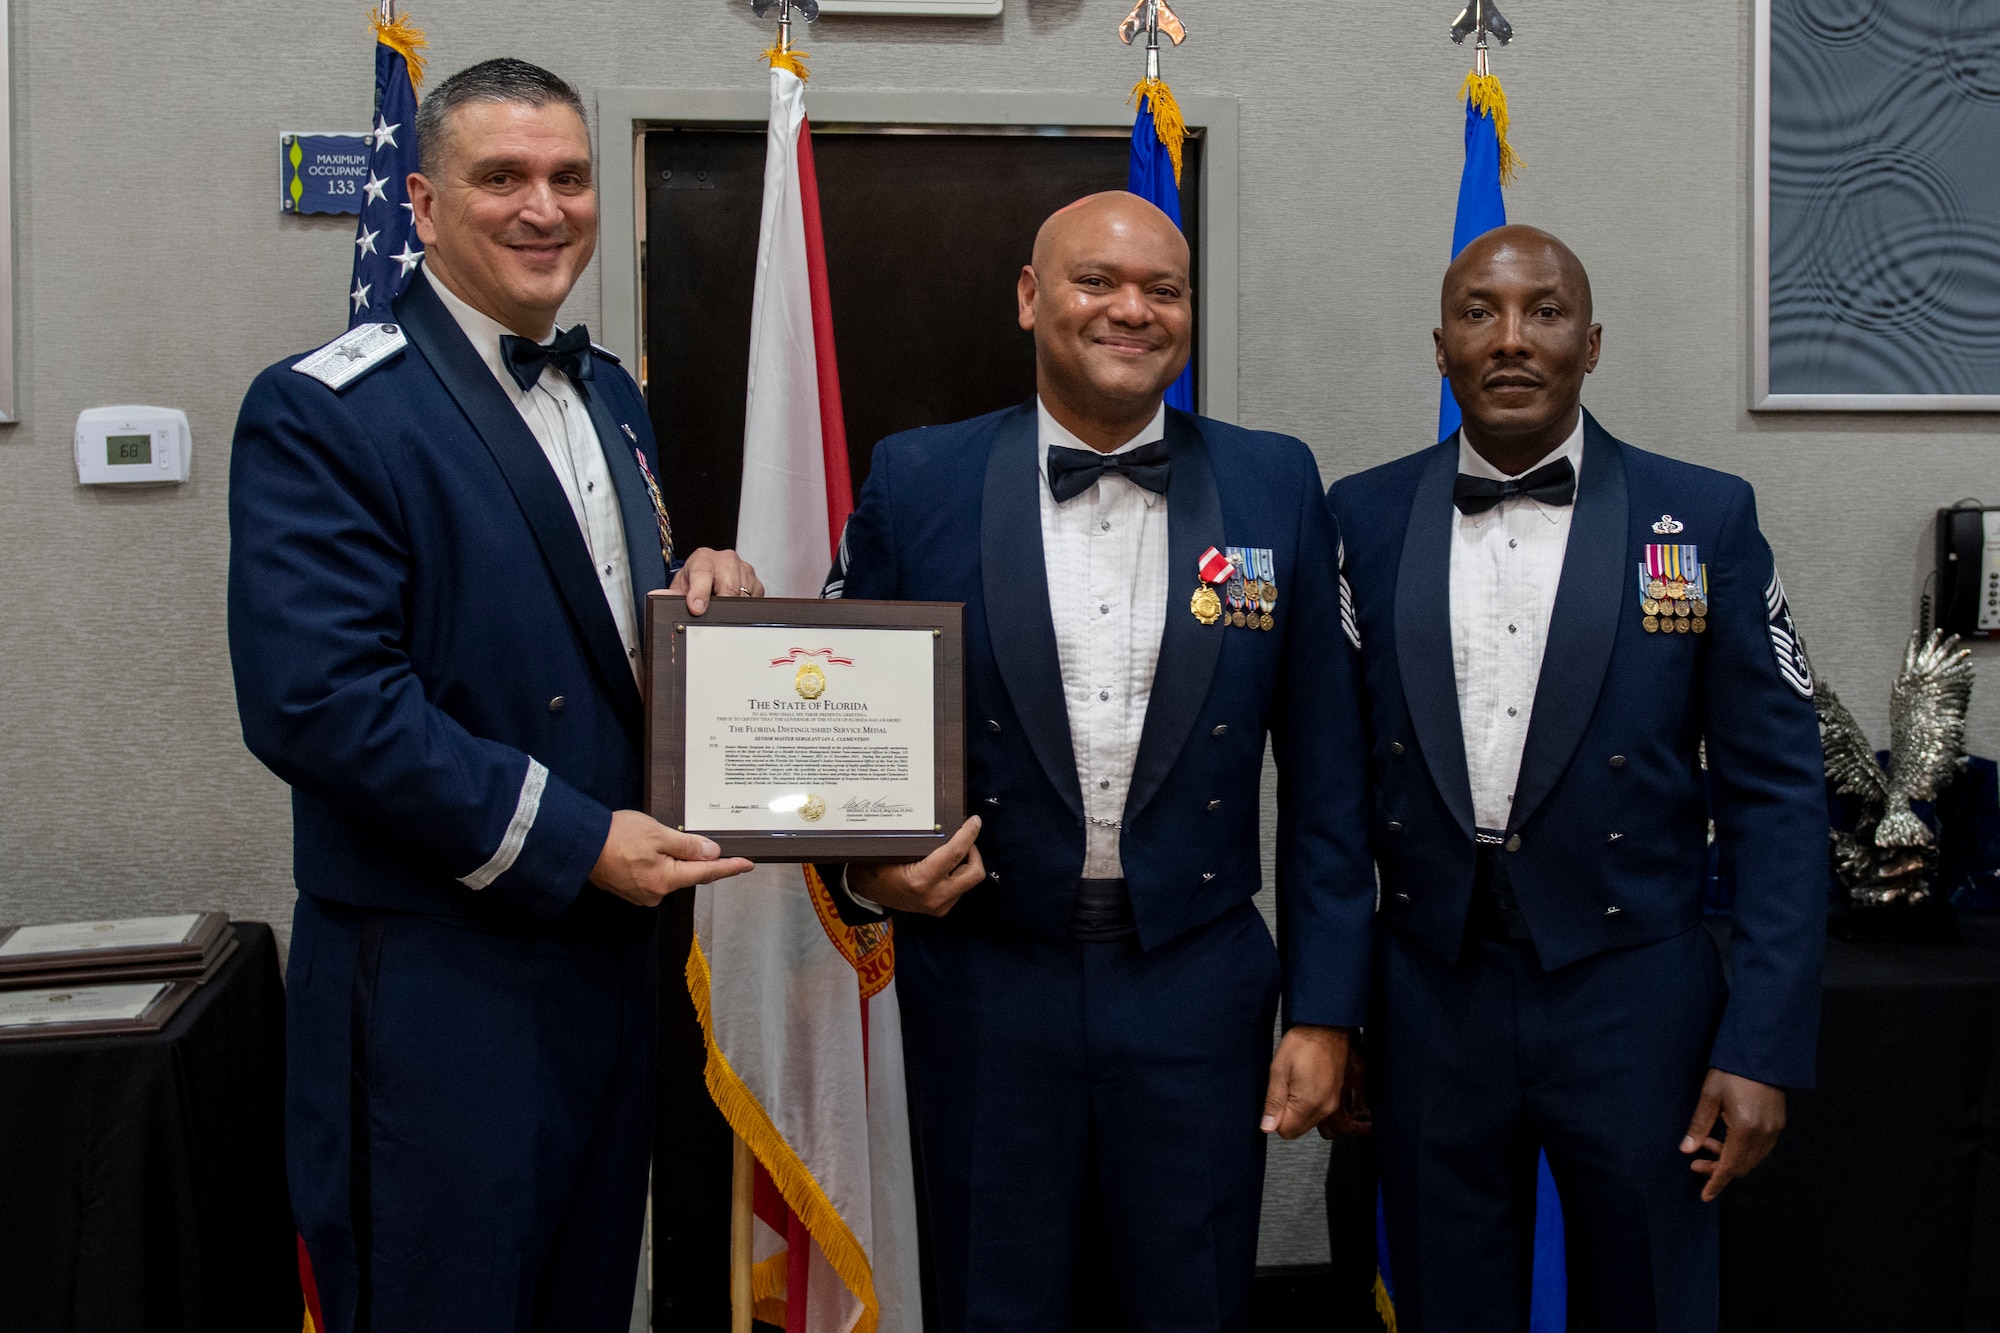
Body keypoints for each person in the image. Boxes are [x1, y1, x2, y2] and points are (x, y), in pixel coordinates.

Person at [228, 58, 761, 1333]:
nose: (545, 207)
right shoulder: (326, 409)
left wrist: (692, 592)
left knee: (580, 1301)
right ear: (418, 203)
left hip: (607, 971)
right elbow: (322, 701)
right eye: (502, 177)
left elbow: (567, 634)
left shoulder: (611, 393)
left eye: (569, 177)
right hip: (438, 980)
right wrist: (579, 843)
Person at [819, 191, 1376, 1330]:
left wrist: (1323, 1012)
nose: (1131, 310)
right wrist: (862, 873)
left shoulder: (1274, 482)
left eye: (1161, 289)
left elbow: (1327, 776)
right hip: (985, 980)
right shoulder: (916, 476)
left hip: (1197, 982)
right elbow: (845, 719)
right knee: (992, 1298)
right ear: (1030, 298)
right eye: (1095, 282)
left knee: (1189, 1298)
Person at [1328, 225, 1827, 1332]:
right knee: (1443, 1301)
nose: (1510, 339)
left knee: (1646, 1296)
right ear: (1438, 345)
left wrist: (1761, 1042)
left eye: (1543, 312)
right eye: (1478, 312)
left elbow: (1777, 796)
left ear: (1590, 343)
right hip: (1427, 996)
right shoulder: (1356, 517)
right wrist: (1331, 1010)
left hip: (1635, 1000)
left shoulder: (1701, 516)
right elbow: (1329, 789)